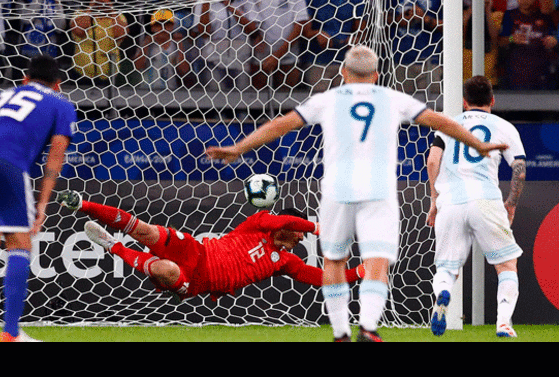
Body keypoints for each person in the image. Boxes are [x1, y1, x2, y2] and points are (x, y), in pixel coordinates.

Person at [206, 45, 508, 342]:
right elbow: (439, 120)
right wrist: (477, 144)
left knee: (334, 260)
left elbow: (281, 125)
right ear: (376, 75)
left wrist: (238, 148)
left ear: (342, 73)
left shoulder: (327, 99)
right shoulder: (393, 98)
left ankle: (340, 332)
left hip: (339, 188)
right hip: (379, 189)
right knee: (377, 259)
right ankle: (367, 326)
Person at [0, 55, 77, 342]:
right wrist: (42, 206)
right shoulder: (61, 104)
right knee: (20, 243)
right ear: (57, 83)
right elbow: (55, 158)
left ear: (25, 79)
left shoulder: (0, 96)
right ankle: (11, 332)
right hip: (7, 164)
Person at [55, 190, 365, 303]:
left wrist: (359, 272)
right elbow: (276, 221)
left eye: (305, 234)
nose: (301, 239)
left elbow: (319, 277)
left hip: (199, 282)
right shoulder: (260, 222)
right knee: (145, 231)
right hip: (196, 251)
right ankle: (82, 204)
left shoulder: (283, 262)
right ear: (288, 226)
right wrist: (315, 225)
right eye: (299, 232)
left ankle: (113, 247)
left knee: (165, 269)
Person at [426, 75, 526, 338]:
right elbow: (519, 168)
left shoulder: (448, 125)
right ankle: (503, 323)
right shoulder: (503, 126)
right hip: (486, 200)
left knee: (447, 267)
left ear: (464, 102)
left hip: (450, 201)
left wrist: (435, 201)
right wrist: (511, 204)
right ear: (492, 100)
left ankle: (443, 293)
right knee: (506, 265)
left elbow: (432, 161)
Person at [498, 0, 558, 90]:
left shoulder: (545, 16)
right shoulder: (509, 15)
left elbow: (553, 39)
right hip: (516, 73)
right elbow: (500, 42)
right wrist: (512, 39)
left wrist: (553, 41)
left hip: (542, 74)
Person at [70, 0, 129, 86]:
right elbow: (78, 31)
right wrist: (91, 7)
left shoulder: (118, 17)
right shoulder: (79, 14)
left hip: (109, 75)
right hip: (81, 74)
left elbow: (121, 34)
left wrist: (110, 9)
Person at [133, 8, 191, 91]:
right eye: (158, 25)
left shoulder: (176, 45)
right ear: (152, 28)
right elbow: (137, 67)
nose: (163, 28)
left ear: (172, 27)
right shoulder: (146, 44)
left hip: (171, 92)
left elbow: (184, 71)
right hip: (147, 91)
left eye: (167, 24)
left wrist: (180, 45)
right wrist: (146, 45)